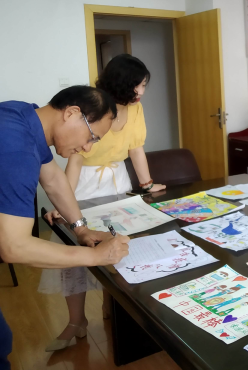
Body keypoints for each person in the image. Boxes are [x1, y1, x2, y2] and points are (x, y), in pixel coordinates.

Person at [40, 54, 165, 351]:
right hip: (85, 182)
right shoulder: (94, 107)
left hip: (118, 180)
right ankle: (76, 321)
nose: (142, 91)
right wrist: (64, 202)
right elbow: (74, 160)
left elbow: (136, 149)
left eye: (144, 85)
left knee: (118, 246)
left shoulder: (136, 109)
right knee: (77, 250)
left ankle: (113, 308)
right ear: (122, 82)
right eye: (138, 85)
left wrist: (146, 185)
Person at [0, 86, 130, 368]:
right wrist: (94, 256)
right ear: (71, 113)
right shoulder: (16, 148)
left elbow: (53, 179)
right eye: (91, 137)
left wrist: (81, 229)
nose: (87, 148)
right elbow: (14, 247)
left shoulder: (23, 115)